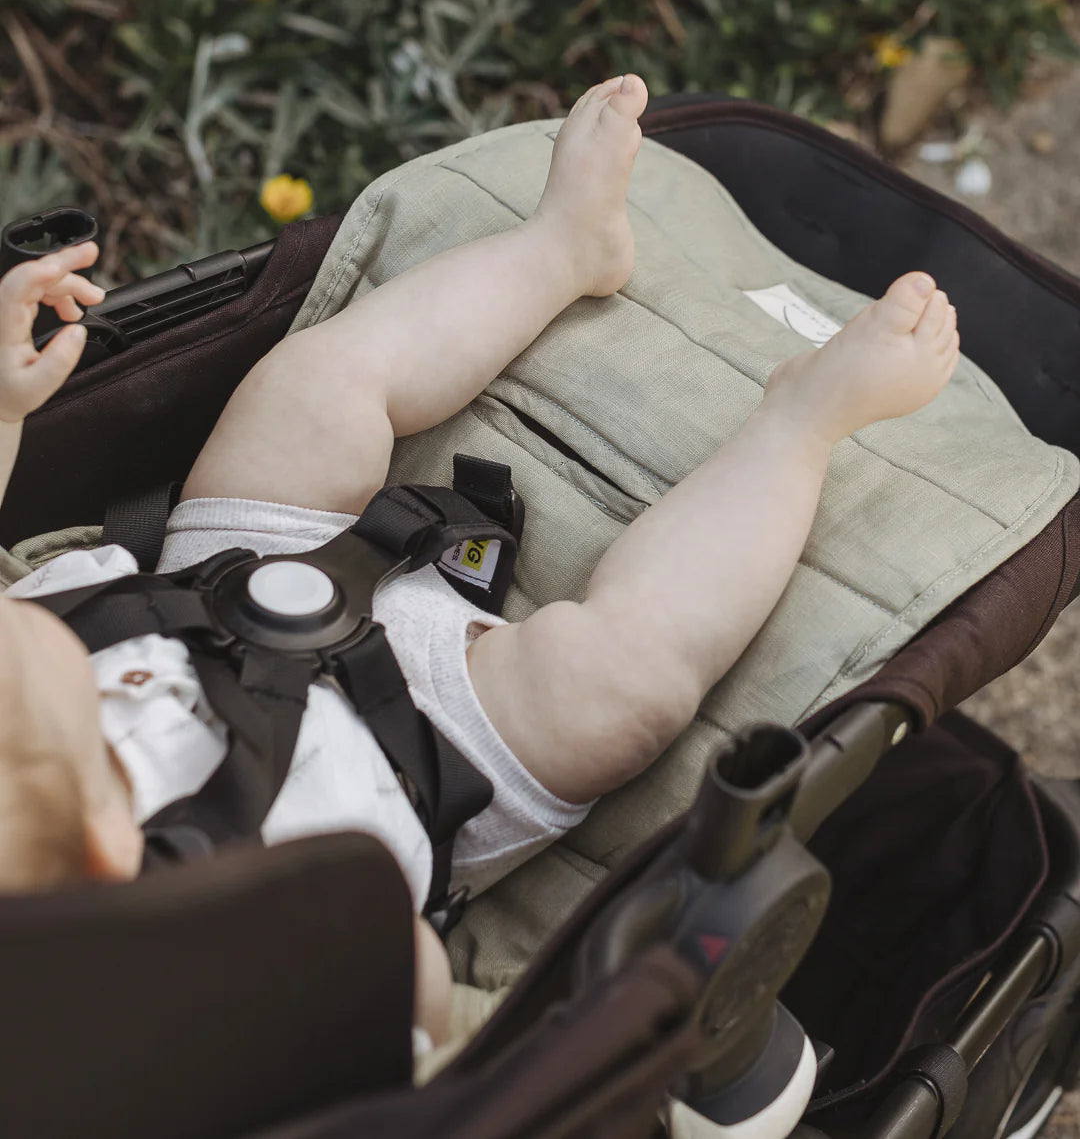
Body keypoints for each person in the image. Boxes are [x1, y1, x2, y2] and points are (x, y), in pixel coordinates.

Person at [0, 74, 959, 1044]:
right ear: (103, 844)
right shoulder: (244, 947)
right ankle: (804, 422)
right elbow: (411, 994)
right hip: (418, 747)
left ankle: (563, 247)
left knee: (311, 390)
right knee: (616, 678)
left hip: (204, 577)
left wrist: (6, 414)